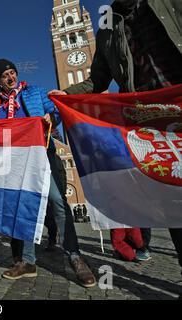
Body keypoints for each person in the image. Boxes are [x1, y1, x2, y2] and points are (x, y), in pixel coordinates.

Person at [49, 0, 182, 274]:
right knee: (174, 197)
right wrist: (69, 94)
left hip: (176, 98)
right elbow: (98, 78)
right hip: (151, 122)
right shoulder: (108, 25)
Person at [0, 59, 96, 288]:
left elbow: (56, 111)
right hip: (14, 162)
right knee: (24, 208)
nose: (10, 77)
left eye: (12, 73)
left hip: (42, 154)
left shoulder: (35, 92)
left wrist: (52, 117)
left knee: (58, 202)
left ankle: (74, 256)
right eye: (5, 75)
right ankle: (28, 261)